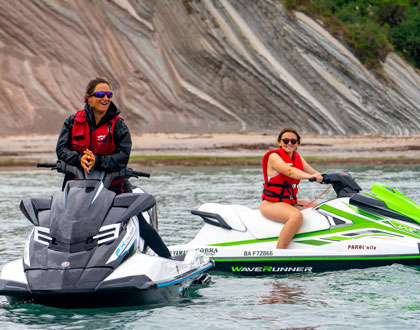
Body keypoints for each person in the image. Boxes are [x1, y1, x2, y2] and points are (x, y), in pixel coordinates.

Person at [56, 76, 171, 258]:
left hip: (115, 186)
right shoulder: (71, 122)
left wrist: (98, 161)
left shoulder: (118, 126)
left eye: (109, 94)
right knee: (64, 224)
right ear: (89, 98)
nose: (106, 98)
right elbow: (61, 150)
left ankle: (168, 260)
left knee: (138, 222)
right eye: (101, 94)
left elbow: (123, 157)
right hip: (78, 189)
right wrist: (79, 159)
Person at [260, 128, 323, 249]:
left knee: (320, 208)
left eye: (293, 141)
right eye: (286, 140)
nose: (289, 143)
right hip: (271, 204)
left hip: (290, 202)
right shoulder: (274, 156)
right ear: (279, 142)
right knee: (295, 216)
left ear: (297, 143)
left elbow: (315, 173)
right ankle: (280, 252)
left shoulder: (297, 158)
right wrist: (310, 177)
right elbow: (290, 171)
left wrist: (333, 178)